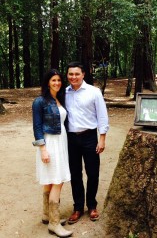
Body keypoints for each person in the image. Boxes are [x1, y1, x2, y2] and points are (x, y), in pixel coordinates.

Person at [65, 61, 109, 224]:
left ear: (83, 74)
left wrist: (102, 138)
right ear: (67, 75)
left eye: (77, 74)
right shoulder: (65, 93)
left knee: (93, 173)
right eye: (70, 74)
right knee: (74, 174)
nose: (73, 77)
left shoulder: (94, 92)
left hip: (90, 137)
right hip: (71, 139)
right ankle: (78, 207)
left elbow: (102, 115)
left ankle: (91, 205)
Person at [32, 69, 73, 237]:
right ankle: (54, 224)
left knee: (51, 180)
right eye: (53, 80)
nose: (57, 83)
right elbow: (37, 127)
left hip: (61, 141)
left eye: (58, 80)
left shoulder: (59, 99)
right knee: (58, 180)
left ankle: (47, 215)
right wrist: (43, 149)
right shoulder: (39, 101)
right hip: (50, 144)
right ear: (47, 82)